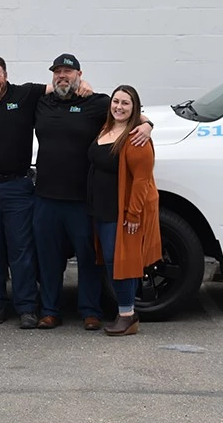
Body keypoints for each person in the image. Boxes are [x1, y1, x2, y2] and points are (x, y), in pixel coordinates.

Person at [0, 54, 92, 329]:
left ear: (5, 75)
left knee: (21, 249)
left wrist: (83, 85)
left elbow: (61, 86)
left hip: (18, 187)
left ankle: (26, 306)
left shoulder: (26, 94)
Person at [33, 54, 153, 330]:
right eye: (58, 72)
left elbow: (128, 112)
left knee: (88, 257)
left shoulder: (95, 103)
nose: (63, 76)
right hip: (46, 198)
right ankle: (50, 310)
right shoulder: (40, 102)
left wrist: (147, 125)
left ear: (79, 74)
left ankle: (90, 310)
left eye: (68, 72)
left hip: (82, 201)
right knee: (48, 258)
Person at [88, 85, 162, 336]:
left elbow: (142, 181)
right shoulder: (107, 127)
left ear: (135, 108)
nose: (119, 107)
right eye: (116, 101)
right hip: (101, 209)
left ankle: (127, 315)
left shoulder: (137, 139)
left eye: (126, 103)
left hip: (121, 213)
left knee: (122, 262)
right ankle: (124, 311)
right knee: (111, 262)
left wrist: (133, 214)